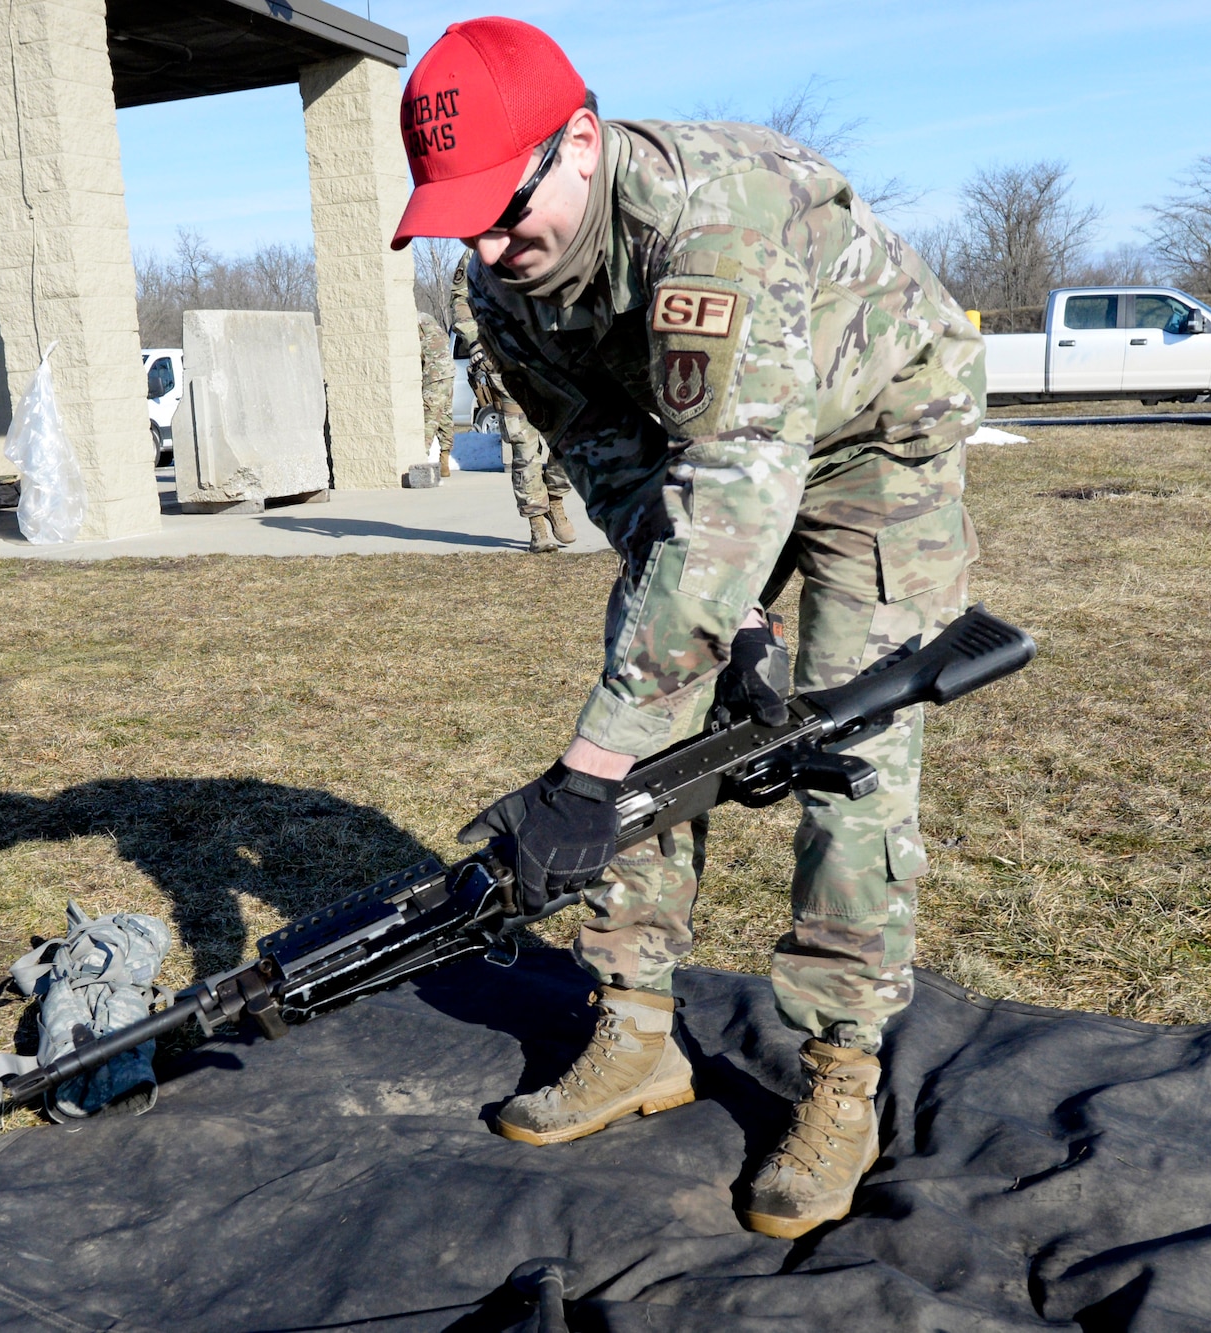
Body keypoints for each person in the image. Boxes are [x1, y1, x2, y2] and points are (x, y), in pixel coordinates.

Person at [392, 19, 985, 1239]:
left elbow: (733, 495)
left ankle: (838, 1071)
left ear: (581, 144)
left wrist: (581, 767)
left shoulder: (712, 220)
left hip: (875, 444)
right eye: (465, 221)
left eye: (509, 209)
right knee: (654, 731)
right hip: (715, 464)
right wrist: (710, 646)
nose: (495, 247)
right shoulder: (494, 284)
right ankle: (636, 1031)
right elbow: (614, 464)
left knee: (847, 752)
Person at [451, 250, 575, 553]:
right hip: (503, 359)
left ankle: (555, 497)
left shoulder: (537, 234)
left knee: (571, 435)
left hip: (553, 356)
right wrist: (476, 343)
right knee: (524, 445)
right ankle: (537, 525)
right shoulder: (475, 254)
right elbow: (460, 300)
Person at [418, 308, 456, 477]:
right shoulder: (427, 318)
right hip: (448, 371)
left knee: (430, 419)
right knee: (446, 417)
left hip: (433, 375)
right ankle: (444, 461)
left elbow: (413, 351)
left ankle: (421, 462)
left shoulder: (413, 322)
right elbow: (445, 340)